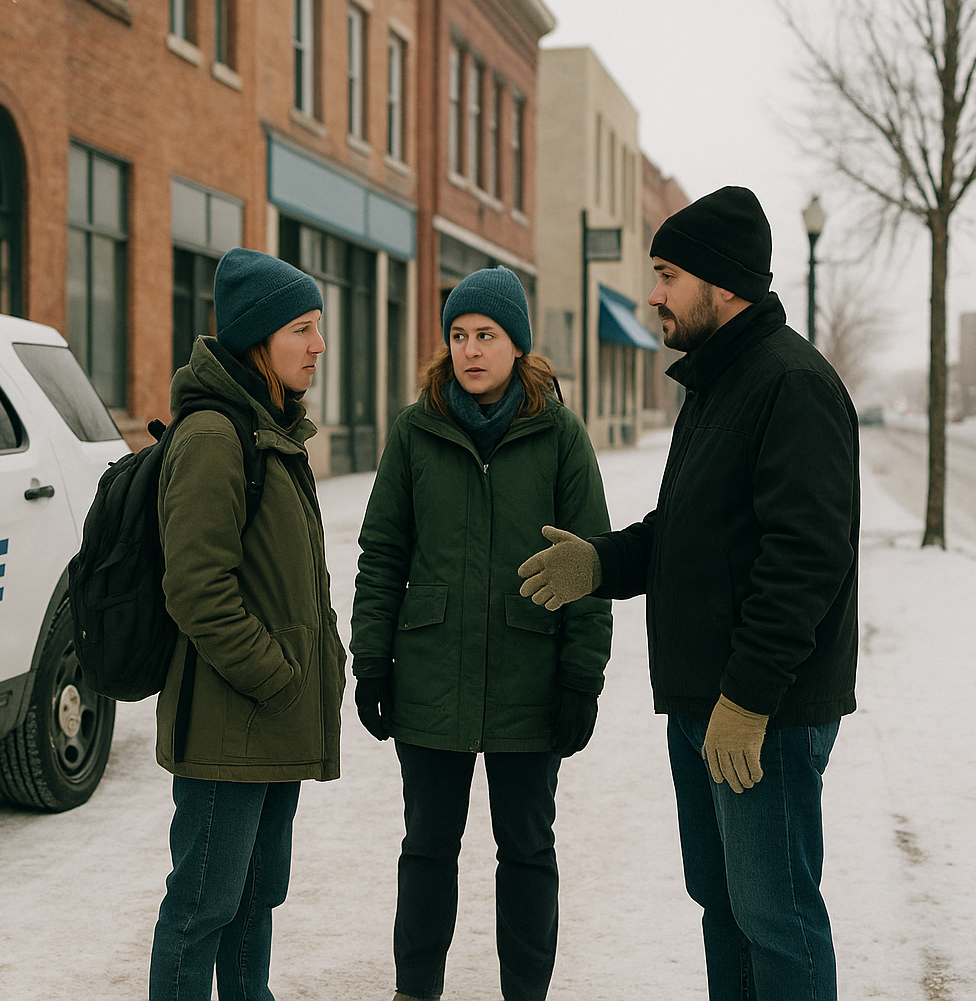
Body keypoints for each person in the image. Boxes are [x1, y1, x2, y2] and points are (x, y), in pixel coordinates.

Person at [517, 186, 858, 1001]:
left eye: (668, 273)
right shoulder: (716, 386)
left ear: (723, 282)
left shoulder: (791, 385)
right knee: (725, 907)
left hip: (761, 711)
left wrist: (748, 698)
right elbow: (687, 531)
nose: (654, 294)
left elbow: (804, 559)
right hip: (705, 702)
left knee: (777, 917)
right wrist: (602, 563)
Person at [350, 266, 613, 1001]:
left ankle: (525, 992)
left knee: (527, 849)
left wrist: (581, 677)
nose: (471, 350)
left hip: (531, 677)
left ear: (517, 346)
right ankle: (416, 990)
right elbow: (383, 553)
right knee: (427, 847)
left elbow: (591, 560)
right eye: (460, 335)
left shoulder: (559, 434)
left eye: (486, 335)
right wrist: (371, 659)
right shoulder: (416, 429)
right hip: (430, 672)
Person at [148, 247, 346, 1001]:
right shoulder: (213, 437)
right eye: (302, 328)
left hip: (271, 719)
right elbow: (197, 589)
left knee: (254, 901)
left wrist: (322, 662)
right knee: (202, 908)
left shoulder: (272, 430)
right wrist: (276, 675)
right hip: (230, 724)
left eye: (318, 327)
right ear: (258, 340)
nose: (318, 346)